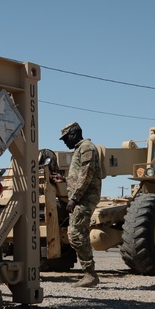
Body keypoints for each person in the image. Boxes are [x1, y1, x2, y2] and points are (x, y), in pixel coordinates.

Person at [53, 122, 102, 287]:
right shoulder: (80, 149)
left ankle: (90, 274)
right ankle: (89, 273)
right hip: (82, 196)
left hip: (85, 198)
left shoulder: (86, 148)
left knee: (76, 234)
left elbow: (87, 175)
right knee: (76, 233)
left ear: (74, 134)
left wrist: (74, 198)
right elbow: (80, 176)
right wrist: (65, 180)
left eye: (66, 138)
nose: (65, 142)